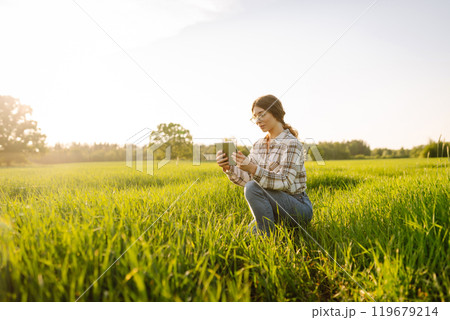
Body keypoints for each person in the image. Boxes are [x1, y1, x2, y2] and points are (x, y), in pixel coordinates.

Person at [216, 94, 313, 236]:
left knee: (258, 231)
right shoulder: (259, 145)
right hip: (272, 205)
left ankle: (267, 238)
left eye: (261, 115)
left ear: (275, 113)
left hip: (297, 207)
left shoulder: (291, 144)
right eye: (255, 117)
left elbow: (285, 181)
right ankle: (268, 231)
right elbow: (247, 180)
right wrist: (229, 168)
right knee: (244, 235)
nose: (257, 121)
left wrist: (253, 168)